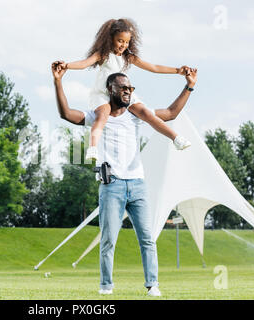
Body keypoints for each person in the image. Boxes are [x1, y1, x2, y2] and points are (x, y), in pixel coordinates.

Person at [51, 60, 197, 296]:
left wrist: (189, 87)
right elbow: (66, 114)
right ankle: (106, 286)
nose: (128, 92)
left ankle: (152, 285)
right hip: (112, 186)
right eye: (123, 88)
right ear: (111, 90)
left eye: (130, 88)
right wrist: (58, 81)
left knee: (147, 239)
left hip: (137, 185)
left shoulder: (137, 114)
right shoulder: (100, 114)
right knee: (108, 240)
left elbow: (169, 114)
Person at [56, 18, 195, 161]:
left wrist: (178, 70)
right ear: (111, 39)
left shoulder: (128, 57)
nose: (124, 45)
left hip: (123, 92)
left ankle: (176, 138)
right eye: (120, 41)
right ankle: (93, 148)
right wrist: (66, 65)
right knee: (103, 115)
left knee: (145, 112)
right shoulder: (103, 54)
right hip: (104, 93)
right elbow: (84, 64)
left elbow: (154, 68)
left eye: (127, 42)